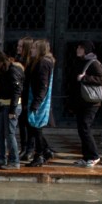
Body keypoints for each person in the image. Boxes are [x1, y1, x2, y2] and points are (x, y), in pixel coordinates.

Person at [71, 41, 102, 167]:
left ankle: (94, 156)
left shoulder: (93, 63)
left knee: (85, 128)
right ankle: (86, 156)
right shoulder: (80, 61)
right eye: (78, 47)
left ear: (86, 49)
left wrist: (85, 78)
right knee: (81, 129)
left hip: (91, 102)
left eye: (81, 48)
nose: (78, 49)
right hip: (82, 101)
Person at [0, 51, 24, 169]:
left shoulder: (12, 71)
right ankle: (1, 158)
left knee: (10, 134)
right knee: (0, 133)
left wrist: (13, 110)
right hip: (2, 104)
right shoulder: (1, 72)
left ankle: (14, 161)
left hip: (12, 106)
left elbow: (17, 91)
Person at [25, 39, 56, 167]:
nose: (31, 50)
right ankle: (45, 151)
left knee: (37, 129)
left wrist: (36, 103)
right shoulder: (38, 62)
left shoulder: (43, 63)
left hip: (39, 102)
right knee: (34, 129)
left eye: (34, 48)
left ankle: (39, 155)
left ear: (40, 50)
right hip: (36, 99)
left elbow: (43, 85)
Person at [16, 37, 35, 159]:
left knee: (30, 125)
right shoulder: (18, 60)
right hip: (19, 96)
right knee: (21, 123)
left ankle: (30, 149)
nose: (18, 48)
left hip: (28, 96)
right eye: (18, 45)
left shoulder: (32, 63)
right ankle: (23, 148)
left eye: (20, 46)